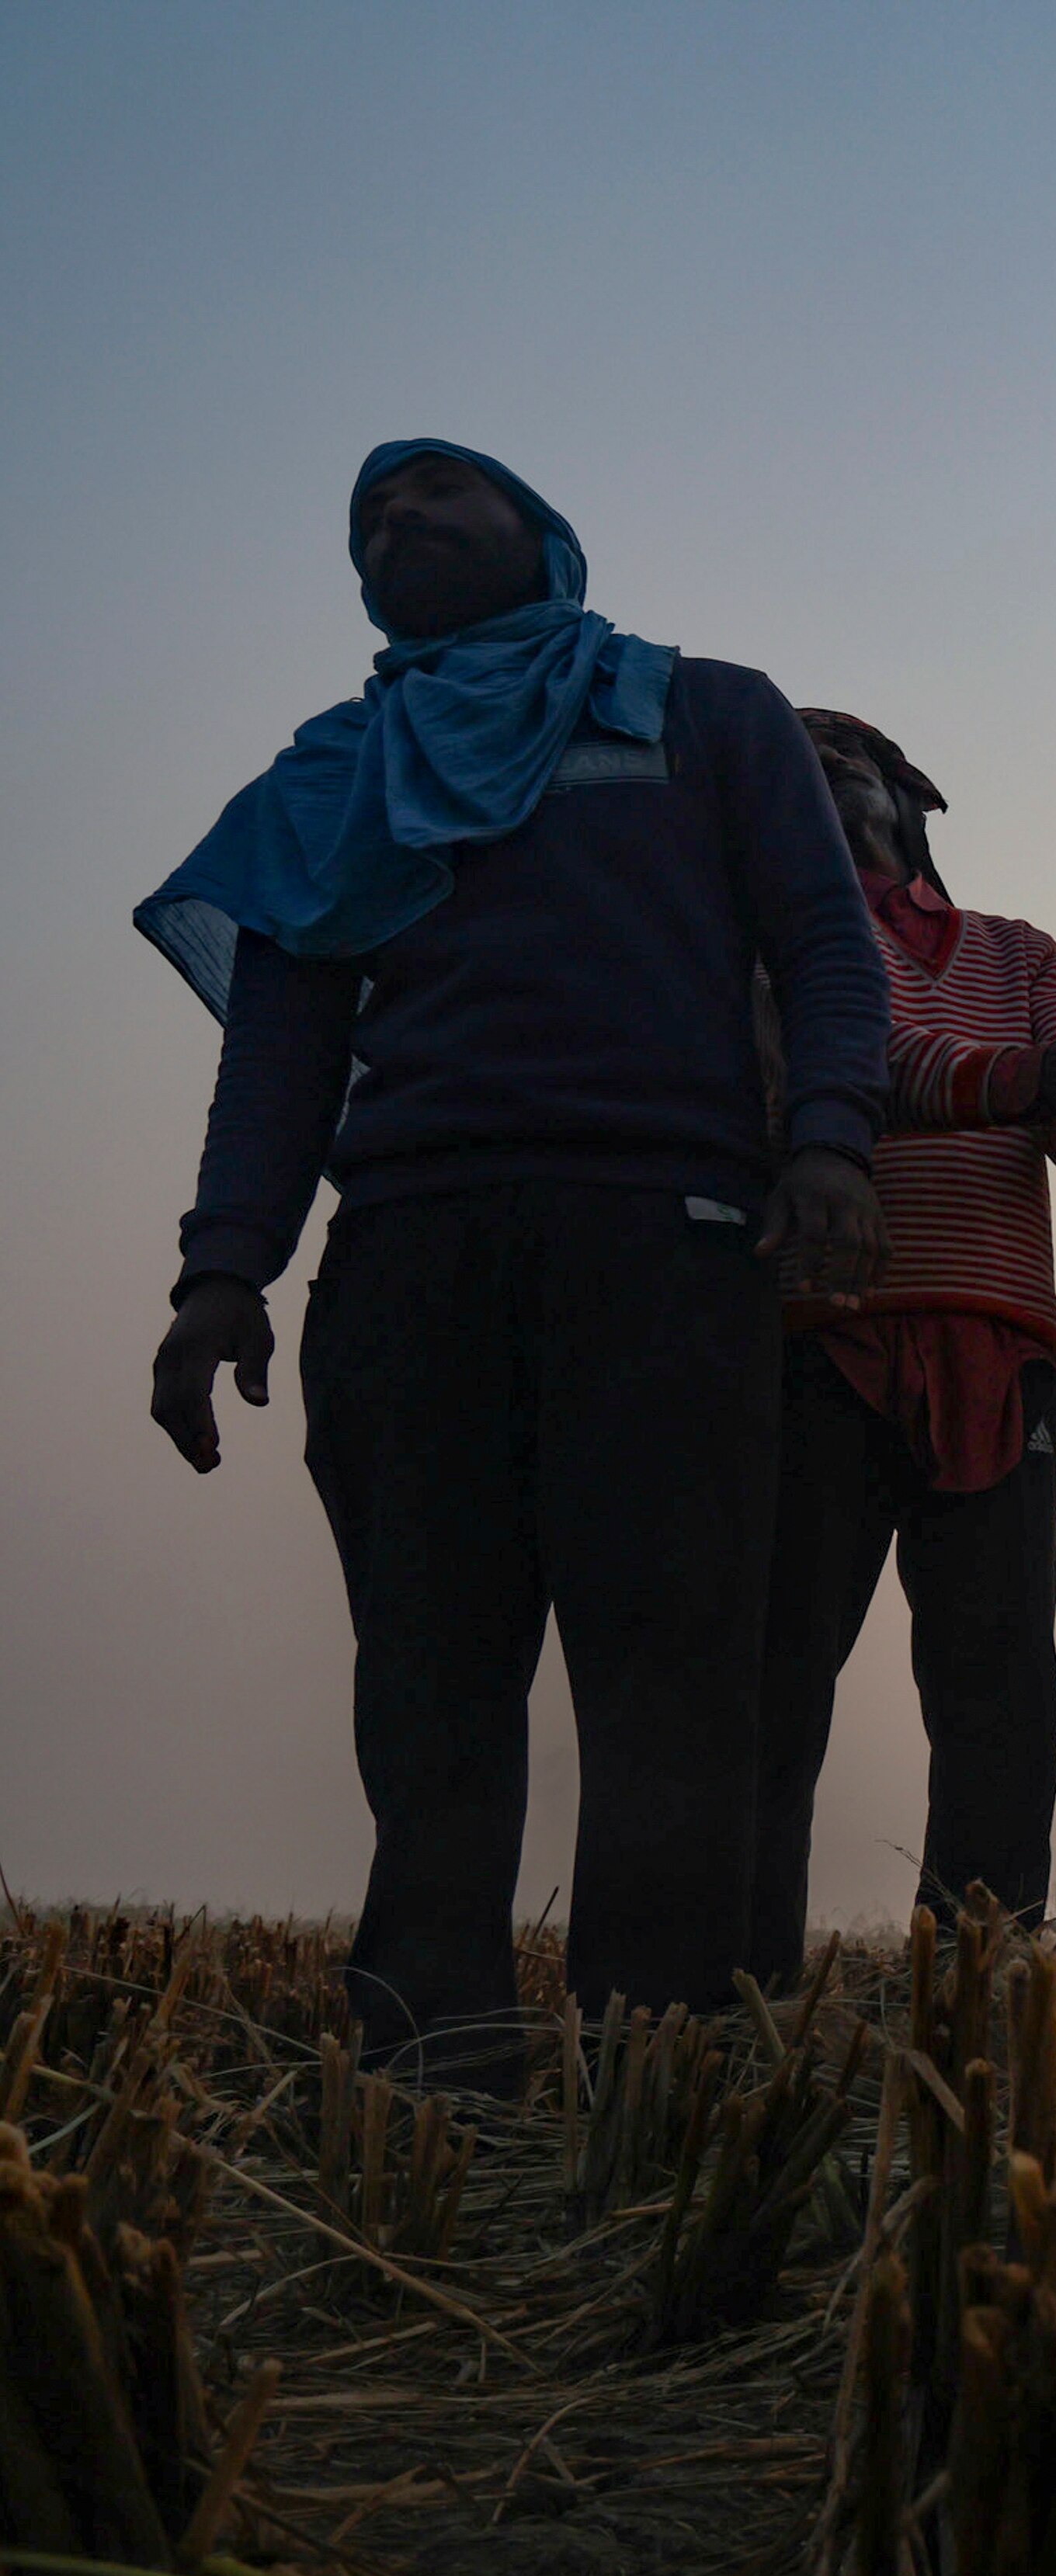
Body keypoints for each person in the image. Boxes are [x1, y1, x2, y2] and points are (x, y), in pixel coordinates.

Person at [141, 441, 886, 2081]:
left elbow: (827, 941)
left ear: (542, 535)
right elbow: (280, 1049)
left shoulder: (701, 709)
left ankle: (655, 2066)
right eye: (369, 515)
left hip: (668, 1238)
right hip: (407, 1254)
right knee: (428, 1678)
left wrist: (833, 1139)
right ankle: (435, 2053)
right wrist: (221, 1271)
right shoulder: (336, 771)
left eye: (435, 491)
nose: (397, 518)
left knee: (671, 1673)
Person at [747, 710, 1056, 1982]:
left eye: (847, 759)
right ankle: (737, 1977)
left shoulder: (1018, 948)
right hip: (817, 1336)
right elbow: (858, 1057)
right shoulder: (763, 934)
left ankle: (978, 1980)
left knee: (1000, 1678)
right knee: (775, 1671)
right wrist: (1030, 1079)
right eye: (796, 765)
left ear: (906, 797)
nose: (825, 776)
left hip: (999, 1344)